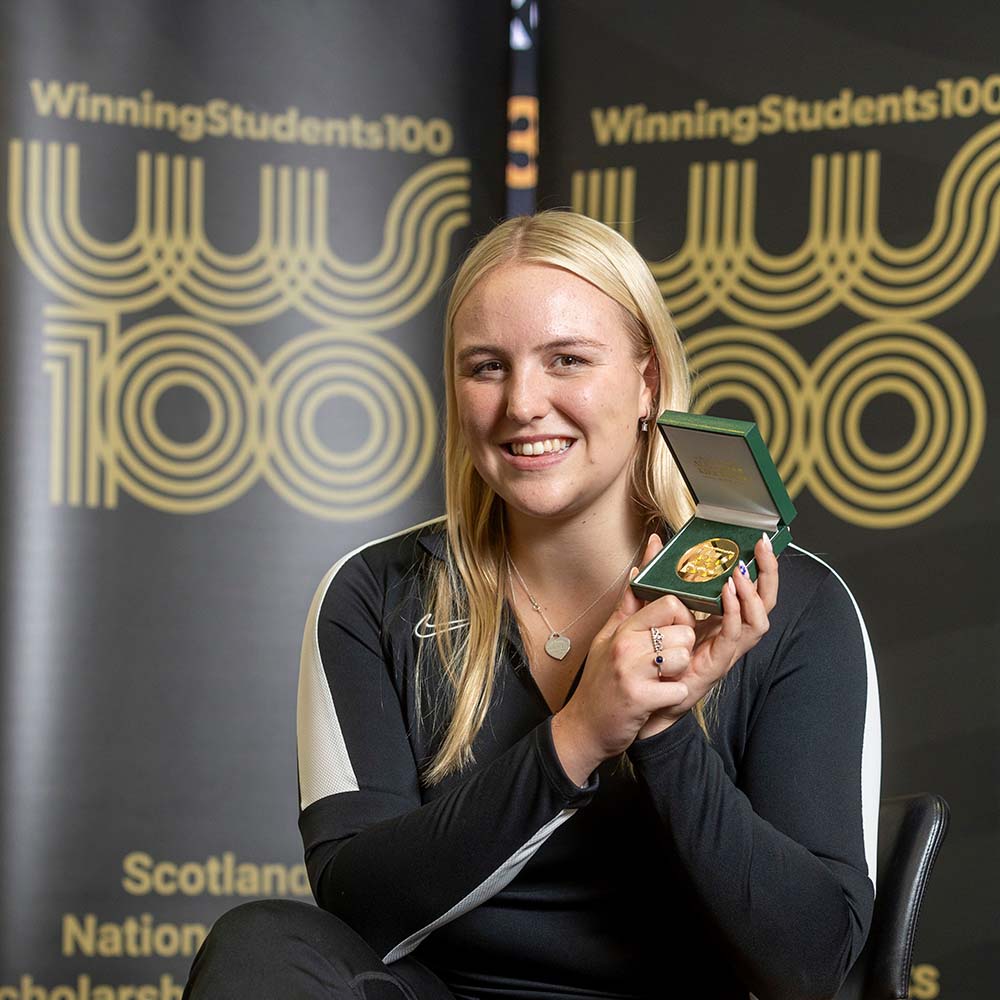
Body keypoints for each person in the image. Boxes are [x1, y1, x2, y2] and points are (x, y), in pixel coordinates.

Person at [184, 211, 880, 1000]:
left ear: (647, 381)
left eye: (567, 359)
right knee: (260, 945)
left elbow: (812, 963)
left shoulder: (789, 603)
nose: (522, 403)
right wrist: (578, 735)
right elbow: (361, 909)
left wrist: (662, 732)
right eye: (486, 366)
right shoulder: (375, 593)